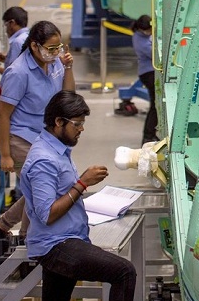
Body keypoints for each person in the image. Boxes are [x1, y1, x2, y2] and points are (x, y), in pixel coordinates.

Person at [21, 91, 137, 301]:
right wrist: (83, 183)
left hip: (67, 239)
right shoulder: (44, 160)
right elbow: (47, 214)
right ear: (58, 122)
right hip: (56, 245)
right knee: (124, 272)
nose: (81, 129)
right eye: (77, 124)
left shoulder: (56, 150)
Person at [0, 21, 75, 240]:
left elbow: (68, 97)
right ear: (35, 46)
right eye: (50, 48)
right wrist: (6, 155)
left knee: (41, 186)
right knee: (42, 185)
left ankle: (2, 226)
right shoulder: (18, 72)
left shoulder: (54, 63)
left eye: (58, 48)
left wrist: (68, 68)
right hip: (18, 135)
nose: (55, 52)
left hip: (42, 137)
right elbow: (3, 115)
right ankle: (27, 239)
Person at [132, 15, 159, 145]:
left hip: (150, 72)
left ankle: (150, 134)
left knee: (156, 105)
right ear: (141, 29)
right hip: (148, 74)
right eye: (149, 30)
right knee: (155, 105)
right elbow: (156, 55)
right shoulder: (140, 41)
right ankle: (148, 136)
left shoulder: (143, 36)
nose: (150, 32)